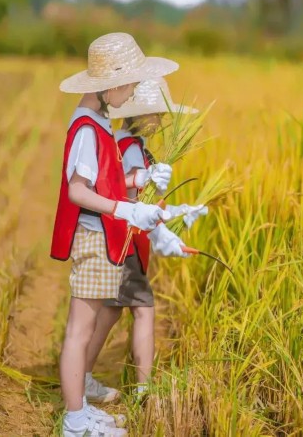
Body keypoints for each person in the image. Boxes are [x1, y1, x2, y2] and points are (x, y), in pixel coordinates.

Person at [51, 33, 179, 437]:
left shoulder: (97, 123)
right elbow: (77, 190)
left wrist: (140, 180)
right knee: (80, 331)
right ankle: (75, 419)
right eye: (130, 86)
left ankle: (80, 405)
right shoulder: (88, 128)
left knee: (87, 327)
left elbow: (104, 180)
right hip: (92, 237)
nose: (132, 96)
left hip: (99, 235)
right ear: (112, 86)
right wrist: (125, 208)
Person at [84, 78, 207, 402]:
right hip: (125, 242)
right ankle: (142, 389)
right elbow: (125, 191)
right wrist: (143, 181)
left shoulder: (125, 141)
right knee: (142, 309)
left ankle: (84, 374)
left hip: (123, 240)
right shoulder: (131, 146)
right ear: (142, 114)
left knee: (113, 311)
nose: (162, 121)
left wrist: (179, 211)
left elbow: (146, 199)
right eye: (158, 114)